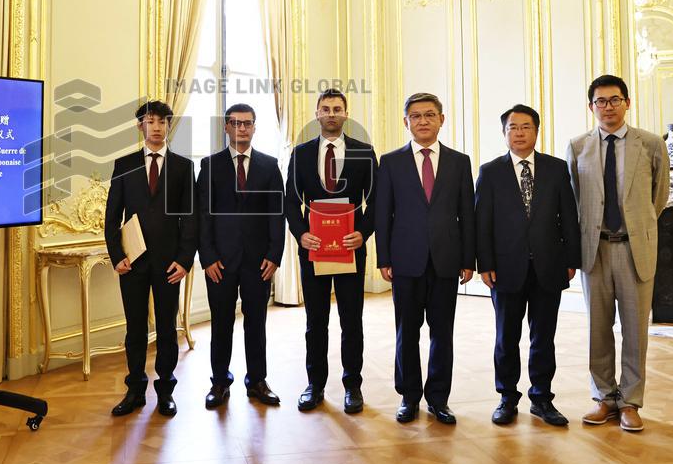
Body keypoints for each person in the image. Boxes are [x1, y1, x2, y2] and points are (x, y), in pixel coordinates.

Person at [567, 74, 670, 432]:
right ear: (591, 106)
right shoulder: (578, 147)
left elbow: (659, 198)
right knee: (598, 328)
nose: (607, 107)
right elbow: (576, 201)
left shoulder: (651, 144)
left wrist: (637, 228)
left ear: (627, 103)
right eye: (600, 101)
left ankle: (630, 401)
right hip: (594, 250)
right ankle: (603, 397)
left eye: (614, 100)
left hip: (633, 248)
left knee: (635, 329)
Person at [475, 104, 581, 427]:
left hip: (549, 266)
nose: (519, 133)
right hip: (505, 268)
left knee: (543, 337)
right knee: (506, 337)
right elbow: (482, 223)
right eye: (513, 127)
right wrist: (485, 264)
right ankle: (507, 397)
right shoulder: (490, 172)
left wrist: (571, 260)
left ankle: (542, 398)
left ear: (536, 131)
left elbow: (569, 218)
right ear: (504, 133)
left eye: (526, 127)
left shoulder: (556, 168)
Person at [375, 92, 475, 425]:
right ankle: (408, 397)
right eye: (416, 116)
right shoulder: (391, 162)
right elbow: (383, 214)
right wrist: (384, 258)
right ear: (406, 122)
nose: (423, 121)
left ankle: (439, 399)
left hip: (446, 260)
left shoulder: (459, 162)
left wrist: (468, 259)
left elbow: (467, 214)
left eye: (430, 115)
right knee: (407, 331)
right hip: (405, 260)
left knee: (442, 332)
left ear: (441, 120)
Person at [284, 89, 376, 414]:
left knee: (351, 322)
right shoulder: (301, 153)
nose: (332, 113)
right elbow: (290, 201)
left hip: (350, 250)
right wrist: (301, 234)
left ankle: (352, 386)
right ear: (317, 113)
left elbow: (376, 201)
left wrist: (363, 233)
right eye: (326, 108)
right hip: (314, 250)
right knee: (315, 322)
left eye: (337, 108)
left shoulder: (364, 152)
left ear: (346, 114)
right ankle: (315, 385)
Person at [104, 100, 197, 417]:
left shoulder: (184, 167)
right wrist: (117, 255)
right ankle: (134, 390)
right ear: (140, 125)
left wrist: (184, 259)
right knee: (135, 329)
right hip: (133, 262)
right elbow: (112, 216)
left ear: (169, 125)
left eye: (162, 121)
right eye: (150, 121)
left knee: (168, 329)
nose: (156, 127)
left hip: (170, 263)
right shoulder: (124, 165)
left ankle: (166, 390)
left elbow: (191, 218)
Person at [197, 103, 285, 409]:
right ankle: (220, 382)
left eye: (247, 123)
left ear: (254, 127)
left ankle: (257, 381)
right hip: (219, 262)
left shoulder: (269, 166)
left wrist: (275, 254)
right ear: (226, 127)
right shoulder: (210, 165)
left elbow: (277, 213)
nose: (242, 128)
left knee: (256, 323)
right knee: (221, 323)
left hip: (258, 262)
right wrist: (207, 257)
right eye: (235, 123)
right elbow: (202, 215)